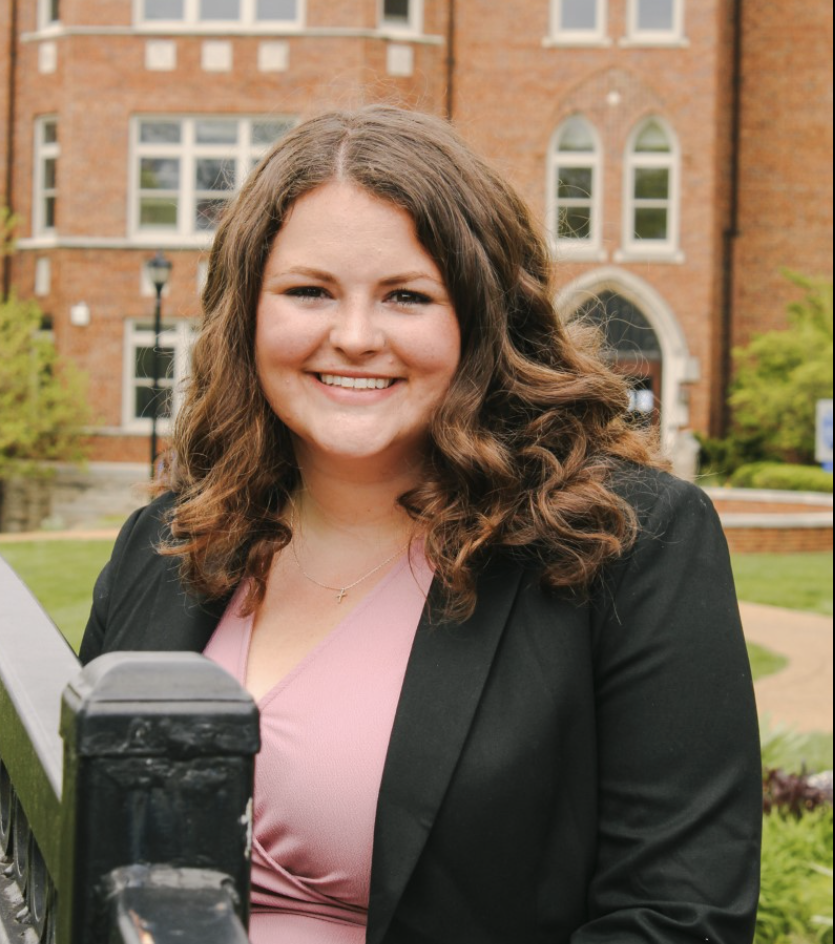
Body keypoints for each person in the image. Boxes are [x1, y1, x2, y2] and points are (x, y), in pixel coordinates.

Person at [81, 106, 762, 943]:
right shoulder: (168, 542)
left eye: (407, 296)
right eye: (308, 292)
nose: (354, 337)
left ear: (483, 317)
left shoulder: (627, 541)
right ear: (246, 313)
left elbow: (679, 917)